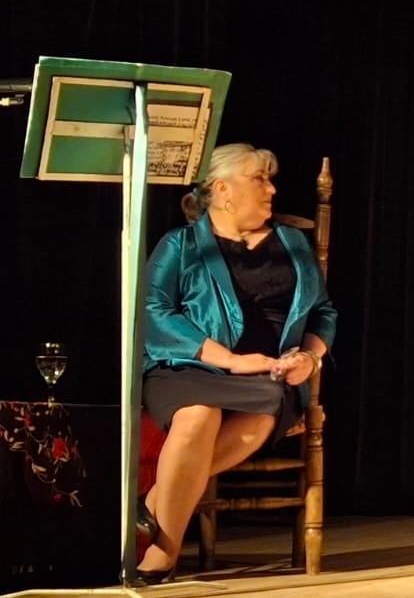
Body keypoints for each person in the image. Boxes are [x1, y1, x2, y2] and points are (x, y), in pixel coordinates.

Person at [133, 143, 336, 583]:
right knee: (197, 416)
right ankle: (163, 552)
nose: (271, 188)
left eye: (269, 178)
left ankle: (152, 503)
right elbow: (151, 310)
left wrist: (309, 358)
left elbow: (323, 311)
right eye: (258, 179)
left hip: (268, 376)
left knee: (262, 410)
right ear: (223, 190)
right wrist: (227, 360)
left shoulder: (293, 242)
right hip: (185, 368)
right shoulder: (181, 244)